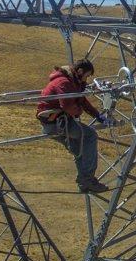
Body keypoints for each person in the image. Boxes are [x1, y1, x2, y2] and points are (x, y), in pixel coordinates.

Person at [36, 59, 111, 193]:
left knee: (78, 149)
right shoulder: (64, 83)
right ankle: (87, 179)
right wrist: (78, 111)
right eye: (87, 76)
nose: (86, 79)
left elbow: (80, 100)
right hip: (57, 124)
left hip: (53, 123)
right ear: (80, 71)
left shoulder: (71, 82)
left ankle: (84, 181)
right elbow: (68, 106)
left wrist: (97, 115)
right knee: (90, 136)